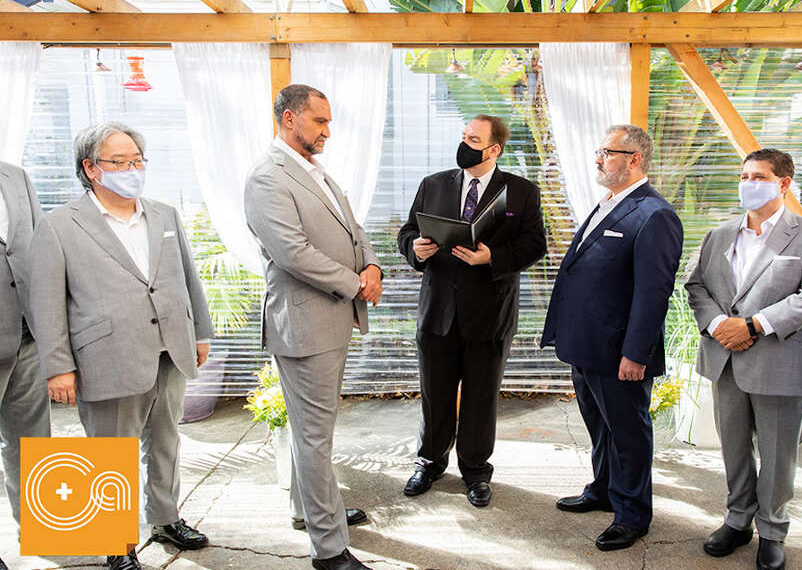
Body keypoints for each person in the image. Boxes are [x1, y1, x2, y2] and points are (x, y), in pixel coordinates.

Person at [30, 122, 214, 570]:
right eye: (120, 161)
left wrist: (201, 332)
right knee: (110, 450)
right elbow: (46, 302)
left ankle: (166, 518)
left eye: (137, 160)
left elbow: (187, 277)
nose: (133, 169)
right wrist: (58, 366)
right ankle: (115, 542)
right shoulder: (58, 226)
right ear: (91, 168)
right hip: (105, 356)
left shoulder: (163, 214)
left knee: (167, 440)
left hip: (170, 348)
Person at [244, 84, 382, 570]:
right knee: (314, 436)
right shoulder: (268, 177)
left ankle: (309, 510)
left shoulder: (315, 171)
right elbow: (292, 252)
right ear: (288, 119)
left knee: (315, 432)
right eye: (319, 121)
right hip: (305, 323)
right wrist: (354, 283)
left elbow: (353, 228)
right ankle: (329, 550)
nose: (328, 131)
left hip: (330, 319)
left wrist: (373, 267)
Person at [686, 148, 802, 570]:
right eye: (744, 176)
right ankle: (737, 520)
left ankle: (772, 530)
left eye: (758, 177)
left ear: (783, 184)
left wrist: (753, 325)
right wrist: (719, 323)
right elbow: (695, 285)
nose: (748, 184)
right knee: (733, 448)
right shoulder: (719, 234)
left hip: (780, 359)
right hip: (725, 359)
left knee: (776, 454)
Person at [541, 124, 682, 551]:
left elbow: (653, 292)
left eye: (607, 151)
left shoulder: (654, 214)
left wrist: (636, 353)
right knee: (600, 428)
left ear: (634, 158)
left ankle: (633, 514)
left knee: (627, 433)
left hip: (619, 350)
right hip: (585, 344)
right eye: (598, 150)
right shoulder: (609, 202)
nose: (598, 158)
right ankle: (602, 490)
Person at [397, 114, 546, 508]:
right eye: (463, 136)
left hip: (490, 315)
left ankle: (476, 473)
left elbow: (535, 245)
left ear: (494, 148)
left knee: (481, 399)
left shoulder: (523, 192)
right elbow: (407, 232)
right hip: (438, 313)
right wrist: (415, 248)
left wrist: (492, 256)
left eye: (474, 138)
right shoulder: (433, 184)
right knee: (435, 395)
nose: (464, 143)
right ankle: (429, 463)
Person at [0, 161, 51, 570]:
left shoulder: (15, 175)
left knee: (32, 439)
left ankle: (41, 529)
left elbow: (36, 248)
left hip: (27, 330)